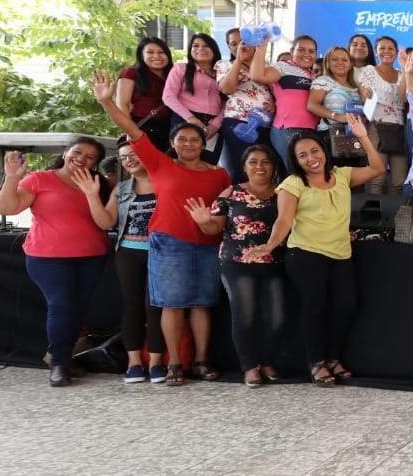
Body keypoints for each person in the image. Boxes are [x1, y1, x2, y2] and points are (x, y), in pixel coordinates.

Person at [94, 72, 232, 387]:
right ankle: (174, 364)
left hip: (208, 242)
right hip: (169, 244)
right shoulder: (160, 164)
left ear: (203, 142)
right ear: (172, 143)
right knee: (171, 304)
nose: (188, 143)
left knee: (202, 304)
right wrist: (106, 100)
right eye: (182, 139)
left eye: (194, 139)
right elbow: (128, 127)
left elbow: (223, 209)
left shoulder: (220, 174)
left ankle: (201, 361)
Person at [241, 116, 385, 386]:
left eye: (314, 151)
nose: (311, 158)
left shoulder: (341, 175)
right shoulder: (293, 184)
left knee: (345, 305)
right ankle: (316, 363)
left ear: (324, 151)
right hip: (305, 254)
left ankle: (332, 358)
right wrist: (270, 245)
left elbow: (378, 168)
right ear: (296, 161)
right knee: (315, 306)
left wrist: (362, 136)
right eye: (303, 155)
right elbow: (283, 221)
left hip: (341, 253)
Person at [0, 139, 113, 386]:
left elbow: (107, 220)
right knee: (61, 305)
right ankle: (59, 363)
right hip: (47, 257)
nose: (82, 158)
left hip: (92, 255)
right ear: (65, 153)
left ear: (96, 163)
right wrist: (12, 177)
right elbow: (8, 207)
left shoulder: (99, 184)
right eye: (77, 151)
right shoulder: (40, 179)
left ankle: (61, 355)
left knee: (77, 309)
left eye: (90, 156)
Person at [185, 144, 285, 388]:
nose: (259, 166)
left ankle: (268, 362)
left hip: (275, 261)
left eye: (265, 162)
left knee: (277, 317)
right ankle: (249, 367)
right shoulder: (231, 193)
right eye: (253, 162)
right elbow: (214, 228)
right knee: (245, 316)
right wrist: (202, 222)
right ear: (244, 167)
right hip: (237, 263)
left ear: (273, 166)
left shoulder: (284, 192)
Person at [106, 140, 167, 384]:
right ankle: (133, 362)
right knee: (132, 306)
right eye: (123, 157)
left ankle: (156, 362)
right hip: (128, 251)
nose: (129, 160)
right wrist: (91, 195)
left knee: (155, 307)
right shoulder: (120, 189)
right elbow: (106, 221)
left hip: (161, 252)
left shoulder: (166, 183)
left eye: (134, 154)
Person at [250, 35, 320, 171]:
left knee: (308, 173)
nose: (306, 54)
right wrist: (261, 47)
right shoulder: (283, 67)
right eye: (301, 50)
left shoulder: (313, 75)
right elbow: (257, 76)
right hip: (288, 129)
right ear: (292, 51)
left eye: (311, 51)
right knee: (296, 174)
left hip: (312, 130)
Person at [216, 39, 276, 182]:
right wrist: (238, 60)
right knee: (242, 165)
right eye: (234, 44)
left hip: (266, 124)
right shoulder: (224, 65)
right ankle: (242, 200)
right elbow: (227, 89)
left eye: (246, 42)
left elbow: (279, 94)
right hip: (238, 121)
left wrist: (275, 106)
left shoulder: (268, 67)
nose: (241, 46)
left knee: (266, 166)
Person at [355, 36, 407, 194]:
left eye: (391, 48)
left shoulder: (402, 73)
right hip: (376, 128)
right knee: (378, 179)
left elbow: (404, 98)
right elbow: (363, 97)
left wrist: (405, 70)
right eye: (382, 48)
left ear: (396, 52)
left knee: (399, 181)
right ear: (376, 52)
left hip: (399, 130)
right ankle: (375, 217)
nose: (386, 51)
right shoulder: (368, 71)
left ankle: (396, 218)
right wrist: (363, 92)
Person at [163, 33, 225, 164]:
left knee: (208, 163)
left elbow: (230, 102)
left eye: (206, 45)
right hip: (184, 119)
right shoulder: (181, 68)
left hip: (213, 124)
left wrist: (216, 124)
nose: (200, 49)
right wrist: (191, 119)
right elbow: (168, 96)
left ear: (214, 49)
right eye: (195, 46)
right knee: (178, 163)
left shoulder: (225, 73)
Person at [117, 37, 174, 152]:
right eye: (150, 52)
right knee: (144, 166)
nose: (156, 56)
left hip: (171, 128)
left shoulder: (174, 73)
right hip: (144, 127)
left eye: (161, 52)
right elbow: (122, 104)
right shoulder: (131, 73)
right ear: (141, 55)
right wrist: (130, 131)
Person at [307, 46, 366, 137]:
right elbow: (312, 105)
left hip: (354, 135)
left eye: (344, 60)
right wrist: (336, 116)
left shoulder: (356, 87)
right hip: (330, 133)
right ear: (328, 63)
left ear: (350, 65)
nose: (340, 62)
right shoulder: (323, 81)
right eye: (334, 59)